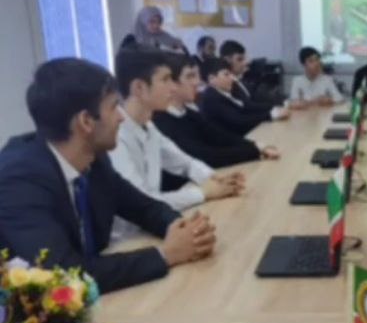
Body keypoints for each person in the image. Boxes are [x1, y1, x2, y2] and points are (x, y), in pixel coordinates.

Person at [0, 58, 216, 293]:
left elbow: (144, 208)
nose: (121, 117)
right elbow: (64, 273)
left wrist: (184, 229)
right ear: (86, 121)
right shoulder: (18, 181)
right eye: (114, 107)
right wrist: (166, 254)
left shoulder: (94, 159)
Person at [110, 49, 244, 240]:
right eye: (165, 80)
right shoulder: (115, 137)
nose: (173, 88)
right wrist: (203, 192)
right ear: (139, 87)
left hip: (154, 228)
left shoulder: (148, 126)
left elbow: (185, 163)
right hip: (128, 241)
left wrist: (214, 178)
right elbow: (145, 201)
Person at [153, 54, 280, 169]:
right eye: (190, 76)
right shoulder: (162, 122)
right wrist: (254, 150)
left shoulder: (189, 113)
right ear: (172, 84)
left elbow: (220, 136)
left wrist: (255, 145)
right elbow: (205, 156)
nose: (197, 82)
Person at [200, 58, 289, 136]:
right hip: (229, 144)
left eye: (230, 74)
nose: (232, 78)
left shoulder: (224, 91)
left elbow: (247, 106)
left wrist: (275, 107)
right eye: (226, 74)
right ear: (211, 79)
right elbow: (239, 121)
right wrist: (271, 115)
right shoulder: (211, 98)